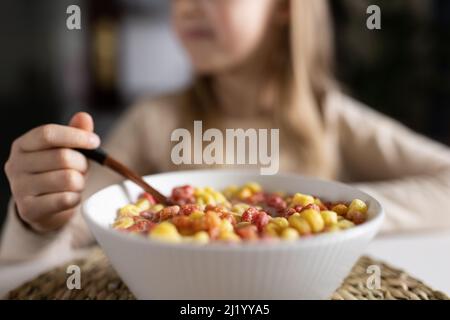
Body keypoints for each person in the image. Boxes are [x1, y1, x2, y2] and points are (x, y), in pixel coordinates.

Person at [2, 0, 450, 261]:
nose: (188, 6)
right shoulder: (153, 120)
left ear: (283, 9)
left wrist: (334, 214)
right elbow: (61, 243)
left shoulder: (330, 118)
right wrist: (37, 217)